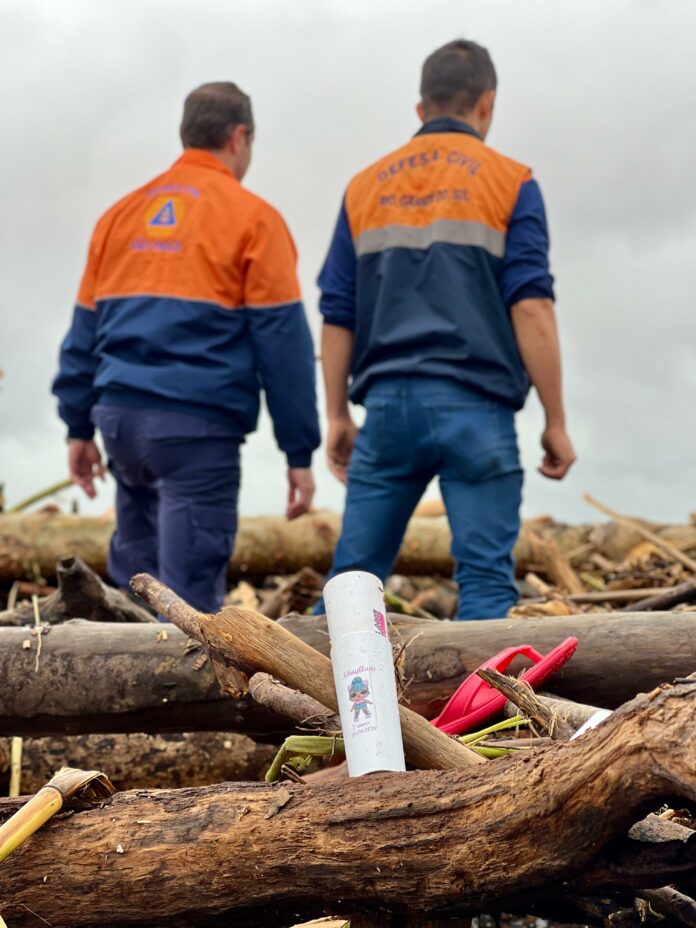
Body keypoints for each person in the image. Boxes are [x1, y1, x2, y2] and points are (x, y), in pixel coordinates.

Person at [316, 40, 576, 620]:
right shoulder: (511, 182)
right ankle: (487, 711)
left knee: (353, 581)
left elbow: (337, 311)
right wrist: (555, 421)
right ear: (487, 103)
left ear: (420, 109)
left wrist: (336, 414)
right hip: (476, 411)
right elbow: (531, 305)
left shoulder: (364, 187)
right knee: (485, 584)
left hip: (387, 411)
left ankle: (305, 704)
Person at [53, 82, 320, 613]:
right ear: (239, 137)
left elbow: (83, 330)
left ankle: (118, 687)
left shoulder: (119, 216)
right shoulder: (254, 219)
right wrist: (299, 451)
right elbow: (283, 345)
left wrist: (78, 427)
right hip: (195, 431)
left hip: (120, 424)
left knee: (134, 586)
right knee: (189, 604)